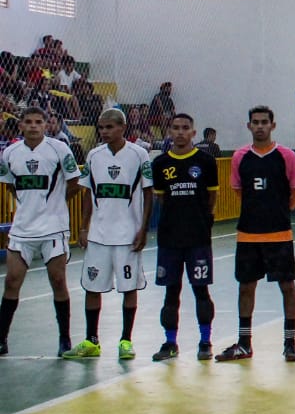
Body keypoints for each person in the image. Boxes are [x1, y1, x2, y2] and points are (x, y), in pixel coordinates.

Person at [216, 106, 295, 362]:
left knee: (287, 286)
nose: (260, 126)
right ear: (249, 126)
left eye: (264, 122)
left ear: (272, 126)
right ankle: (244, 343)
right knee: (246, 287)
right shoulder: (240, 157)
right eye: (255, 122)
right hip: (248, 235)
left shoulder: (286, 156)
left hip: (279, 234)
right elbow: (238, 190)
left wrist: (277, 211)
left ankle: (290, 343)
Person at [63, 108, 153, 360]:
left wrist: (143, 230)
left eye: (109, 127)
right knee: (92, 286)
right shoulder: (93, 155)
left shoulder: (139, 154)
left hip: (127, 236)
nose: (103, 132)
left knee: (129, 287)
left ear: (122, 127)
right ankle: (92, 340)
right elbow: (88, 193)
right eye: (101, 128)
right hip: (98, 236)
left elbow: (148, 194)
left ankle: (126, 340)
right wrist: (83, 226)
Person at [0, 107, 83, 356]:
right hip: (22, 229)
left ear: (46, 125)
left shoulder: (60, 150)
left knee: (58, 281)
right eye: (28, 122)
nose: (34, 126)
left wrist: (53, 205)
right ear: (21, 126)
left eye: (38, 122)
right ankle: (2, 338)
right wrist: (30, 206)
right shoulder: (10, 153)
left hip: (53, 229)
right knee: (12, 281)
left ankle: (64, 339)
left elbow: (74, 183)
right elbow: (11, 185)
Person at [148, 113, 219, 361]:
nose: (180, 132)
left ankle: (205, 341)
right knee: (171, 292)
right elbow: (161, 198)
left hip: (198, 238)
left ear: (193, 132)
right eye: (176, 128)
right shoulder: (160, 164)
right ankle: (170, 343)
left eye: (185, 128)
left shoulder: (206, 162)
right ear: (169, 131)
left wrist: (203, 219)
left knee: (201, 290)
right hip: (170, 239)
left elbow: (211, 197)